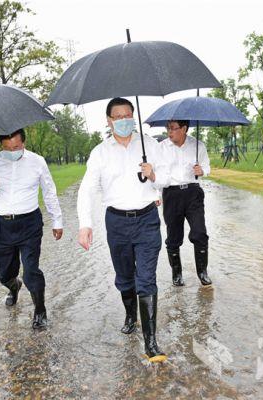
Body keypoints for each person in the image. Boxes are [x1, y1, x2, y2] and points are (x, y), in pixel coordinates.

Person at [77, 97, 170, 363]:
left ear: (134, 116)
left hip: (147, 219)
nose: (123, 120)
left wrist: (153, 174)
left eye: (128, 115)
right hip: (116, 222)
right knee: (125, 277)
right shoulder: (100, 153)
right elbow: (87, 189)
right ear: (109, 121)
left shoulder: (151, 145)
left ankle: (151, 342)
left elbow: (167, 180)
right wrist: (85, 224)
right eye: (117, 117)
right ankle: (131, 313)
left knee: (147, 277)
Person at [0, 129, 63, 328]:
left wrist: (57, 221)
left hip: (29, 223)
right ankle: (13, 286)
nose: (11, 151)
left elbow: (49, 191)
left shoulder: (37, 161)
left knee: (31, 270)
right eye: (7, 148)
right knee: (4, 273)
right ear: (1, 146)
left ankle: (40, 311)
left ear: (23, 144)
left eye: (15, 147)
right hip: (2, 224)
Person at [160, 120, 212, 287]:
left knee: (200, 233)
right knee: (173, 237)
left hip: (193, 193)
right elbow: (157, 173)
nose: (170, 132)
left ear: (184, 129)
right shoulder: (161, 148)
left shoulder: (198, 145)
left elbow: (207, 167)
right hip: (171, 194)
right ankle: (177, 274)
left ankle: (202, 272)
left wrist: (202, 171)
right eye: (168, 128)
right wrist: (155, 194)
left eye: (173, 128)